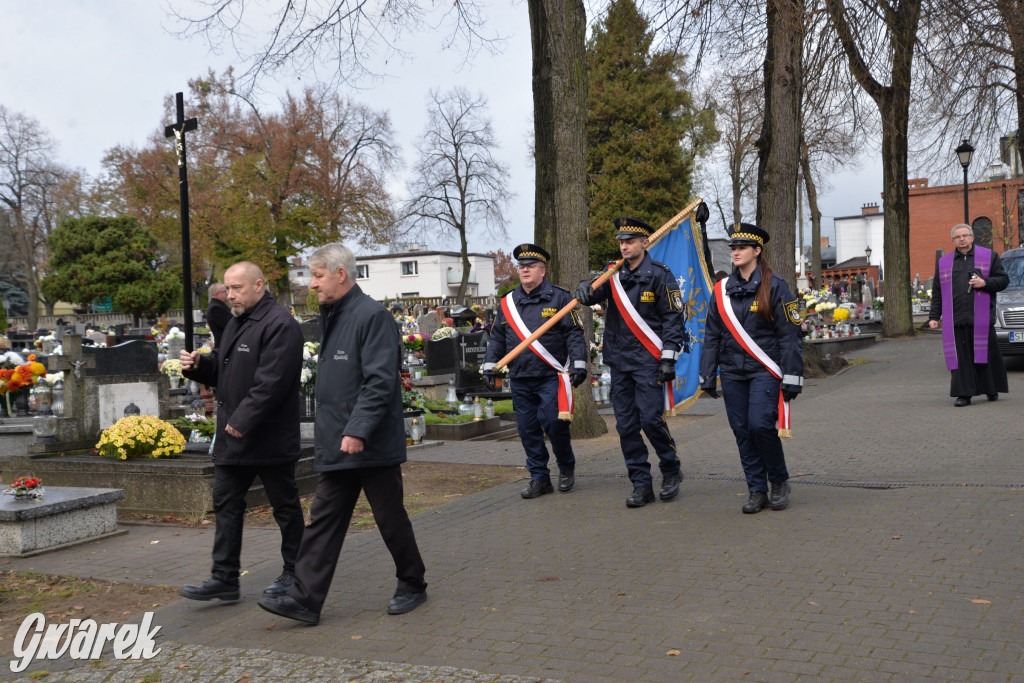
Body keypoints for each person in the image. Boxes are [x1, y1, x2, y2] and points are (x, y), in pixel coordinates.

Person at [257, 242, 428, 625]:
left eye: (317, 276)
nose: (311, 284)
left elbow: (380, 381)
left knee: (389, 517)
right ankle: (305, 598)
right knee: (323, 520)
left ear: (340, 274)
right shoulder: (334, 314)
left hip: (368, 444)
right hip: (340, 443)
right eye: (310, 276)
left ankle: (412, 582)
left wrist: (358, 430)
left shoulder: (372, 317)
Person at [178, 261, 305, 602]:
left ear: (259, 285)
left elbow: (272, 382)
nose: (229, 295)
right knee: (226, 504)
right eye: (227, 289)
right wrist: (199, 366)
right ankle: (224, 579)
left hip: (267, 436)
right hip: (234, 439)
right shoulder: (237, 322)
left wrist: (243, 419)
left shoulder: (280, 325)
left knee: (284, 506)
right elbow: (223, 367)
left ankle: (296, 573)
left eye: (237, 288)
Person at [575, 217, 687, 508]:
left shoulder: (661, 275)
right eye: (621, 242)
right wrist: (584, 287)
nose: (624, 246)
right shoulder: (612, 273)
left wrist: (668, 357)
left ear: (645, 243)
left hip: (649, 361)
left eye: (630, 241)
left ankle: (671, 467)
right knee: (625, 426)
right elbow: (592, 294)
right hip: (620, 361)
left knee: (650, 420)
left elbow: (674, 319)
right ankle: (640, 483)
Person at [699, 224, 803, 514]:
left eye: (742, 247)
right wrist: (708, 373)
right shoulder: (721, 291)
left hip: (764, 370)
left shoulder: (777, 286)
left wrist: (793, 376)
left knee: (759, 425)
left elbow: (789, 335)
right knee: (742, 430)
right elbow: (712, 335)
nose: (736, 252)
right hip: (733, 372)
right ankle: (756, 489)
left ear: (757, 251)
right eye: (733, 248)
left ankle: (779, 481)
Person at [482, 243, 587, 499]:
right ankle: (539, 478)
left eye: (530, 267)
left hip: (551, 375)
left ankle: (566, 467)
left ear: (543, 271)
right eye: (522, 267)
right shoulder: (508, 302)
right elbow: (497, 337)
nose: (525, 270)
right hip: (520, 376)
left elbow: (574, 333)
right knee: (527, 429)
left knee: (554, 424)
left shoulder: (560, 298)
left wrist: (580, 363)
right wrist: (488, 365)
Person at [927, 224, 1009, 406]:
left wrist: (984, 282)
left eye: (965, 235)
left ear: (972, 237)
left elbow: (1004, 281)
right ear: (953, 241)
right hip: (956, 320)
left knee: (986, 356)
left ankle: (991, 388)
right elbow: (938, 292)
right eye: (957, 237)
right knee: (961, 359)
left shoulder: (989, 257)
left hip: (981, 319)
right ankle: (964, 394)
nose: (962, 239)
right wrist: (934, 316)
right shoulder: (945, 263)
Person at [206, 282, 231, 346]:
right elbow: (229, 325)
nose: (227, 293)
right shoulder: (215, 308)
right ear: (217, 294)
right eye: (224, 291)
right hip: (224, 345)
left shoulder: (219, 305)